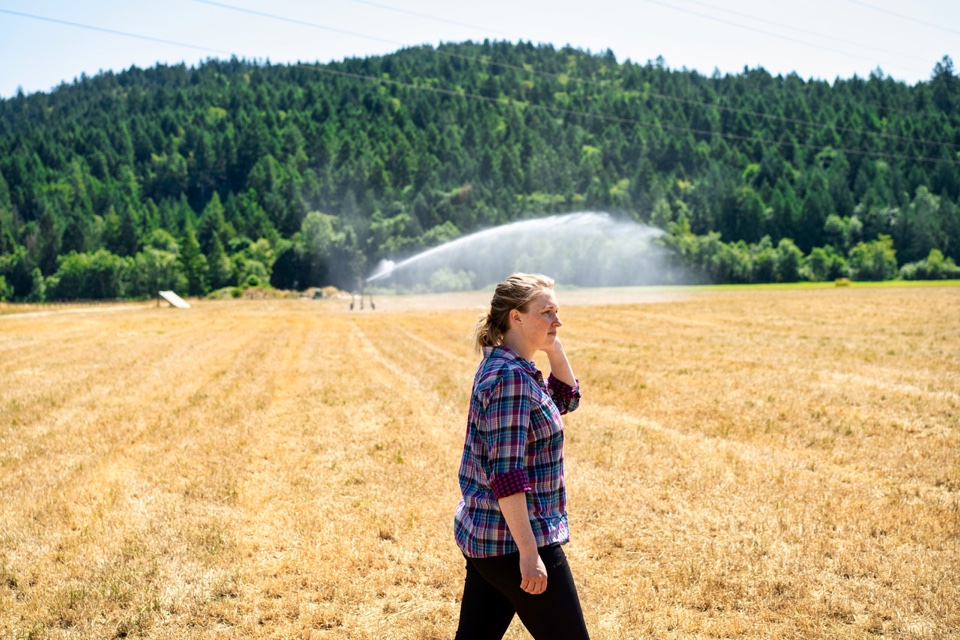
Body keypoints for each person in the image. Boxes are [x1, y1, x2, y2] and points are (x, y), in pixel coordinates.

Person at [454, 273, 590, 639]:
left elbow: (565, 400)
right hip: (513, 542)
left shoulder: (511, 366)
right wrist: (529, 555)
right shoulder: (510, 379)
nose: (557, 321)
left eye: (557, 312)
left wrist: (552, 345)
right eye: (546, 312)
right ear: (516, 317)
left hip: (490, 539)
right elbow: (506, 474)